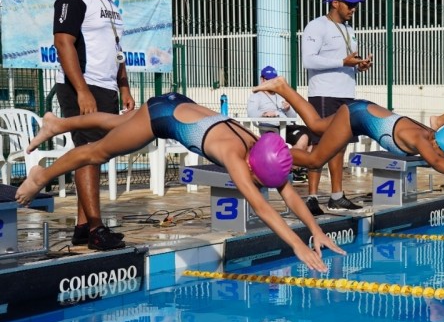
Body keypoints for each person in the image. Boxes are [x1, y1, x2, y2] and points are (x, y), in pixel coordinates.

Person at [15, 92, 345, 270]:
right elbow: (263, 208)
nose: (258, 185)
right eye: (258, 181)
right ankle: (40, 176)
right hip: (162, 117)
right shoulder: (234, 156)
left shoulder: (260, 146)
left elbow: (287, 193)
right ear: (252, 167)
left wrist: (316, 230)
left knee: (117, 123)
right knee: (98, 152)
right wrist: (298, 245)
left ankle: (58, 123)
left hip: (178, 103)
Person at [253, 77, 444, 195]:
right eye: (443, 154)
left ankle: (282, 87)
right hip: (356, 115)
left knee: (314, 123)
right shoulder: (422, 140)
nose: (440, 157)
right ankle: (261, 152)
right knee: (315, 160)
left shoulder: (436, 137)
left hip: (362, 113)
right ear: (439, 147)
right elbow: (439, 163)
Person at [52, 0, 136, 251]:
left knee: (96, 154)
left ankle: (83, 227)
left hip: (107, 88)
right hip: (82, 87)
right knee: (88, 152)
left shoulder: (111, 4)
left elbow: (117, 50)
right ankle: (97, 229)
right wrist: (83, 90)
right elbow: (63, 44)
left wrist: (124, 86)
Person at [301, 0, 373, 216]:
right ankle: (311, 198)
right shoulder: (316, 26)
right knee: (320, 145)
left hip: (345, 93)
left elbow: (347, 60)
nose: (354, 9)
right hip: (324, 93)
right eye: (350, 5)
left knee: (339, 145)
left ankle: (336, 197)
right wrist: (343, 62)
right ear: (335, 3)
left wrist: (360, 65)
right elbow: (308, 61)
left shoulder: (349, 29)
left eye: (355, 5)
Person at [248, 65, 313, 183]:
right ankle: (292, 169)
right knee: (303, 138)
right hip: (271, 128)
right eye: (269, 79)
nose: (272, 82)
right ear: (262, 80)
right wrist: (264, 114)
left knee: (308, 135)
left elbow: (293, 117)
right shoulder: (256, 96)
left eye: (274, 79)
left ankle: (293, 168)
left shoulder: (281, 94)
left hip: (286, 126)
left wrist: (288, 109)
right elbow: (251, 113)